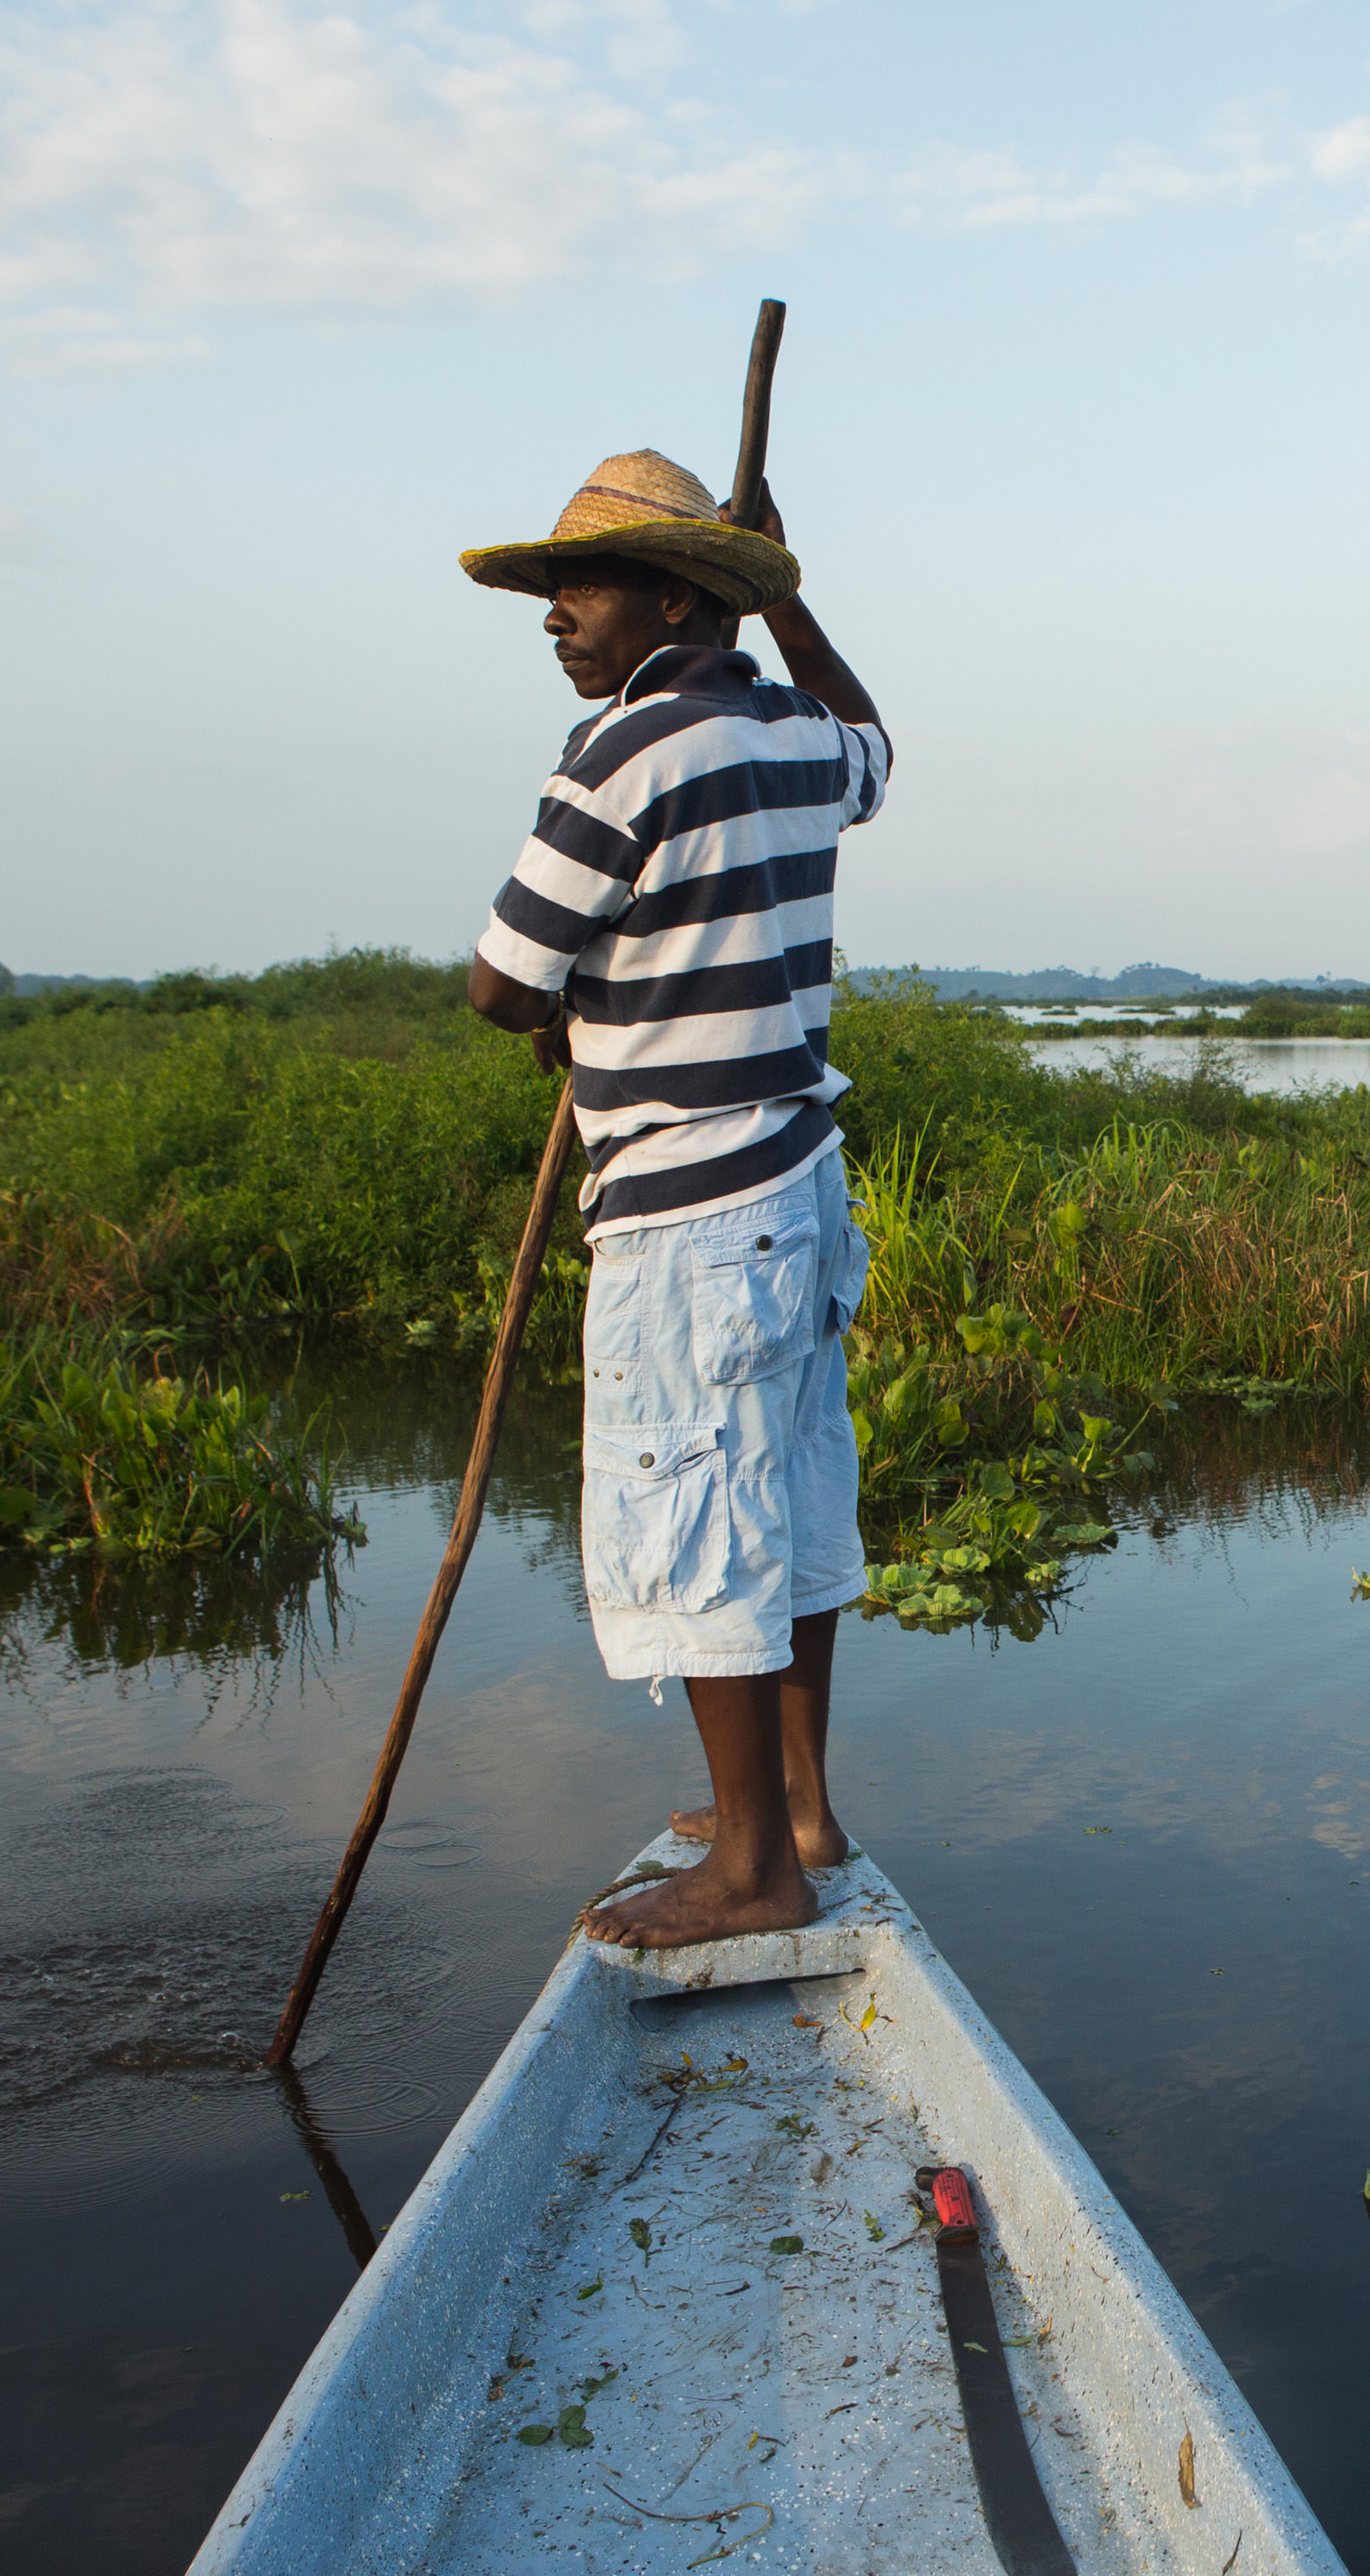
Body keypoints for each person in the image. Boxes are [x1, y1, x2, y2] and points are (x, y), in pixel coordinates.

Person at [458, 447, 891, 1949]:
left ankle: (754, 1873)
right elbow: (878, 745)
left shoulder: (617, 753)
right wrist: (796, 608)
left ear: (670, 594)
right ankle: (798, 1810)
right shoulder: (792, 729)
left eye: (578, 586)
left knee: (696, 1510)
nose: (555, 617)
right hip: (796, 1184)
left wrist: (576, 1016)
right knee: (784, 1489)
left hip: (690, 1206)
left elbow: (503, 984)